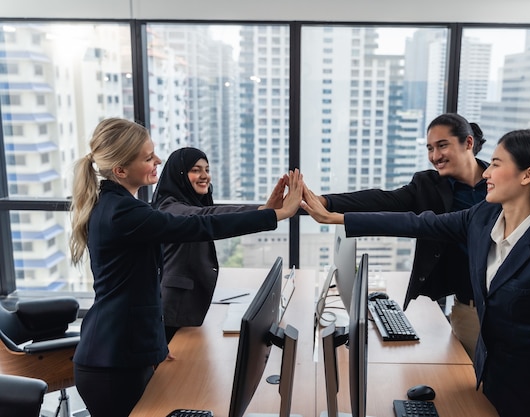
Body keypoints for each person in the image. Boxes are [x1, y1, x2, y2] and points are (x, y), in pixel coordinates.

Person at [301, 129, 530, 417]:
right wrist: (337, 217)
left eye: (497, 164)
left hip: (529, 394)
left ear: (527, 175)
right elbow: (418, 224)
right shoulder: (483, 218)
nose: (487, 173)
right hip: (488, 378)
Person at [69, 118, 303, 417]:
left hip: (122, 351)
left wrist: (155, 345)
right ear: (120, 170)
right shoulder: (124, 212)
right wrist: (275, 215)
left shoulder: (115, 205)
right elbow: (199, 223)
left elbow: (139, 288)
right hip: (113, 360)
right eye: (147, 157)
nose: (158, 160)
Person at [312, 113, 487, 361]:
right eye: (429, 148)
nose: (435, 156)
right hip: (467, 308)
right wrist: (326, 202)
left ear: (468, 143)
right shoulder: (428, 185)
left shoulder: (497, 183)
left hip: (508, 307)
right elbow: (382, 200)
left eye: (442, 145)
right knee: (467, 383)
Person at [151, 147, 290, 342]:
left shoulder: (188, 203)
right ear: (179, 175)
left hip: (190, 309)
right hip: (173, 314)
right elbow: (210, 217)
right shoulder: (170, 208)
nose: (204, 176)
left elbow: (213, 212)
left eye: (207, 169)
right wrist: (265, 213)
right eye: (195, 170)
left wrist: (265, 209)